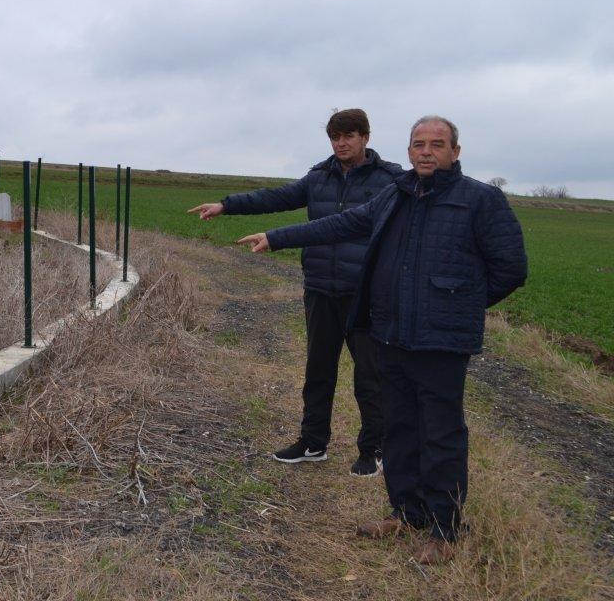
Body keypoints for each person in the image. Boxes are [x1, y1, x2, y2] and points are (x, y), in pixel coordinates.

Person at [236, 116, 527, 564]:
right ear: (408, 150)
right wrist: (277, 238)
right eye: (418, 144)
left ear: (455, 151)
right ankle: (406, 513)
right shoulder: (397, 193)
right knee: (400, 429)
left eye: (436, 144)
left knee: (442, 433)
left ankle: (444, 530)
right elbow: (341, 225)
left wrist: (456, 304)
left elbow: (510, 269)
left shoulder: (480, 200)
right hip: (389, 332)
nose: (426, 151)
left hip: (441, 342)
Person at [188, 109, 401, 477]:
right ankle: (313, 442)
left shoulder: (390, 179)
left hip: (365, 294)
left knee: (370, 375)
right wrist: (227, 205)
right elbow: (276, 197)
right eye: (335, 137)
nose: (341, 143)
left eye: (348, 135)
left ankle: (373, 448)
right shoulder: (319, 177)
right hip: (320, 287)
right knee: (318, 370)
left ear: (365, 137)